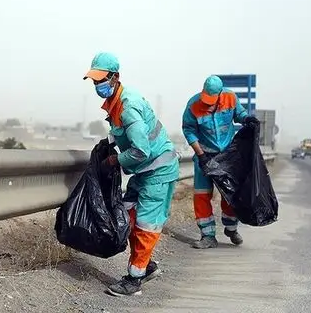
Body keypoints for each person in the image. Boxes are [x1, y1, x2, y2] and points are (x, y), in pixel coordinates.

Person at [83, 52, 179, 297]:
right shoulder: (115, 103)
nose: (97, 85)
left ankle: (134, 279)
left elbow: (140, 149)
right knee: (127, 214)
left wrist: (115, 159)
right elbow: (123, 136)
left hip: (158, 170)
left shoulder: (128, 107)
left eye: (101, 80)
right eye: (94, 81)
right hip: (145, 171)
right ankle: (146, 266)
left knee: (146, 223)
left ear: (115, 77)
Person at [181, 75, 259, 249]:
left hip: (227, 156)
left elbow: (239, 114)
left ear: (220, 94)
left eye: (211, 100)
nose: (207, 104)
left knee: (230, 193)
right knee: (201, 195)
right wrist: (201, 155)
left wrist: (247, 119)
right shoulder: (193, 105)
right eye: (205, 99)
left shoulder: (230, 97)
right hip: (204, 155)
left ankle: (231, 228)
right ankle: (207, 236)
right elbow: (188, 130)